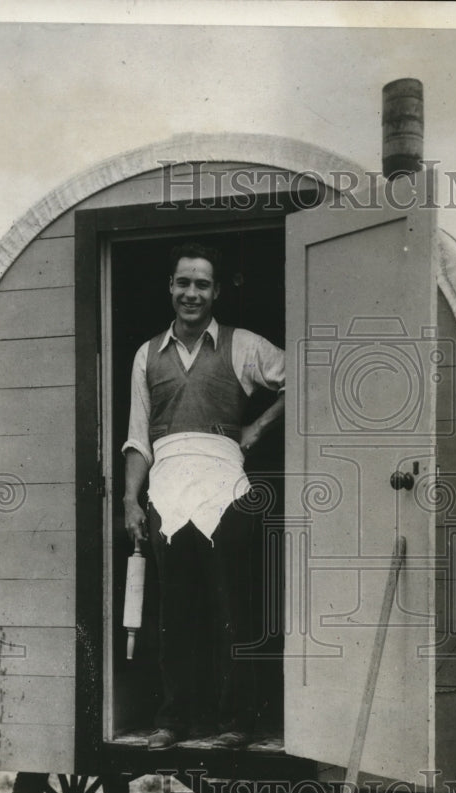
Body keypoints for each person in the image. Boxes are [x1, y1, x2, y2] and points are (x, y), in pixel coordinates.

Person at [122, 242, 285, 750]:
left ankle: (236, 721)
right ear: (170, 288)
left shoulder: (243, 345)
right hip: (167, 487)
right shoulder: (147, 354)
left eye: (202, 284)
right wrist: (131, 499)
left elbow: (303, 376)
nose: (191, 293)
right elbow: (138, 438)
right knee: (174, 612)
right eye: (183, 283)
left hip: (225, 486)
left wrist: (257, 427)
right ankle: (174, 720)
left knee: (230, 607)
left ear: (216, 292)